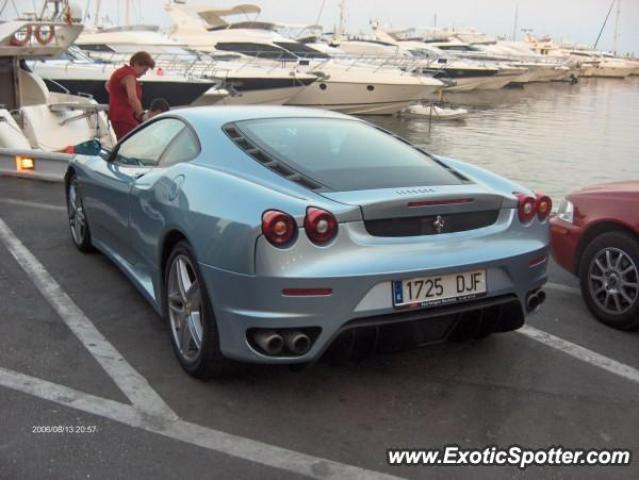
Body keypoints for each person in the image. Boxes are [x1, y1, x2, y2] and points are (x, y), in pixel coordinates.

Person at [106, 51, 155, 140]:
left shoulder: (121, 72)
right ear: (136, 64)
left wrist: (118, 97)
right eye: (144, 69)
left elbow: (108, 85)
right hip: (124, 118)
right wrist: (143, 115)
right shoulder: (129, 76)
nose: (144, 73)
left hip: (118, 116)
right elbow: (132, 98)